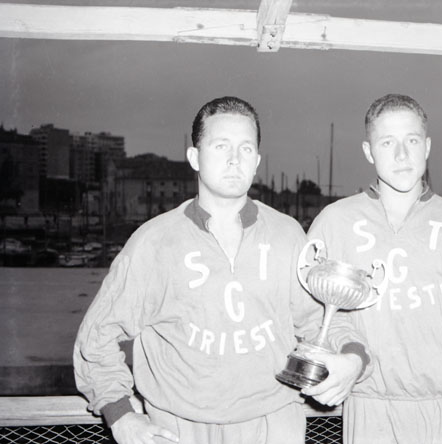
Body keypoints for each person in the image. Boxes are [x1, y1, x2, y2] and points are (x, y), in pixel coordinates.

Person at [74, 96, 368, 444]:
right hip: (179, 427)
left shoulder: (287, 234)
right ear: (194, 157)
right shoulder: (154, 243)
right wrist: (121, 415)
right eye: (220, 146)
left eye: (246, 148)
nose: (234, 159)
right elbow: (96, 338)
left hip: (273, 424)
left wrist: (353, 359)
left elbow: (322, 319)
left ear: (257, 161)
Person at [302, 94, 442, 444]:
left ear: (427, 146)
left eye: (412, 141)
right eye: (387, 142)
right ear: (369, 151)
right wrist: (349, 357)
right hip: (369, 411)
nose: (402, 155)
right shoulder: (335, 221)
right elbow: (312, 317)